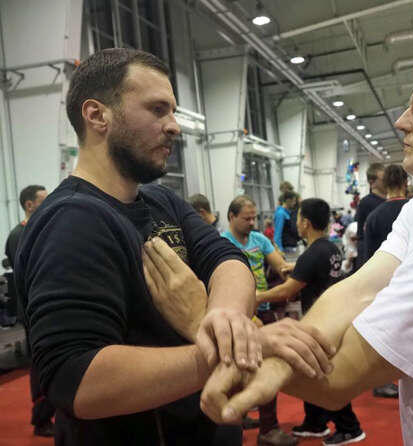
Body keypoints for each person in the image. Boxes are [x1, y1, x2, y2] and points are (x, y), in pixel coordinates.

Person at [156, 47, 413, 445]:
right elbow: (356, 291)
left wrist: (204, 323)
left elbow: (337, 380)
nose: (402, 122)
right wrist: (278, 357)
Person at [14, 48, 332, 446]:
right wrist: (224, 351)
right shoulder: (72, 221)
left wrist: (222, 319)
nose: (174, 127)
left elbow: (228, 259)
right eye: (157, 110)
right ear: (97, 116)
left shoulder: (159, 200)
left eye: (173, 112)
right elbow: (75, 380)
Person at [253, 198, 365, 445]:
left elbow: (287, 291)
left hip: (320, 323)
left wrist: (257, 296)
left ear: (305, 222)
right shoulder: (330, 247)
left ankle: (350, 427)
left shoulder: (312, 254)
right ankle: (315, 422)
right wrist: (295, 267)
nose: (296, 223)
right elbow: (313, 269)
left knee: (323, 375)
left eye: (298, 219)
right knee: (310, 371)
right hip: (333, 318)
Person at [220, 195, 297, 446]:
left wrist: (294, 274)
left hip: (262, 308)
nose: (252, 222)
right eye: (247, 218)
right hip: (236, 312)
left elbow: (280, 266)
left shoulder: (260, 239)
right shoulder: (222, 243)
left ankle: (268, 428)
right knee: (236, 366)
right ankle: (242, 416)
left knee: (265, 366)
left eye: (254, 218)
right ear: (231, 217)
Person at [3, 184, 55, 437]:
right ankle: (41, 418)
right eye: (43, 200)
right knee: (41, 361)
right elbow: (29, 274)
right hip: (34, 309)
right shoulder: (18, 235)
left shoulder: (42, 229)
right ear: (29, 205)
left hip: (48, 305)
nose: (48, 202)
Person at [363, 164, 409, 400]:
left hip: (384, 283)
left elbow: (368, 256)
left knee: (383, 334)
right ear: (406, 183)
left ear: (385, 184)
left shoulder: (374, 216)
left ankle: (381, 381)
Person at [354, 163, 386, 267]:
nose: (387, 181)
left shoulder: (390, 200)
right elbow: (361, 235)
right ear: (372, 182)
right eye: (383, 179)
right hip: (374, 255)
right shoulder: (365, 203)